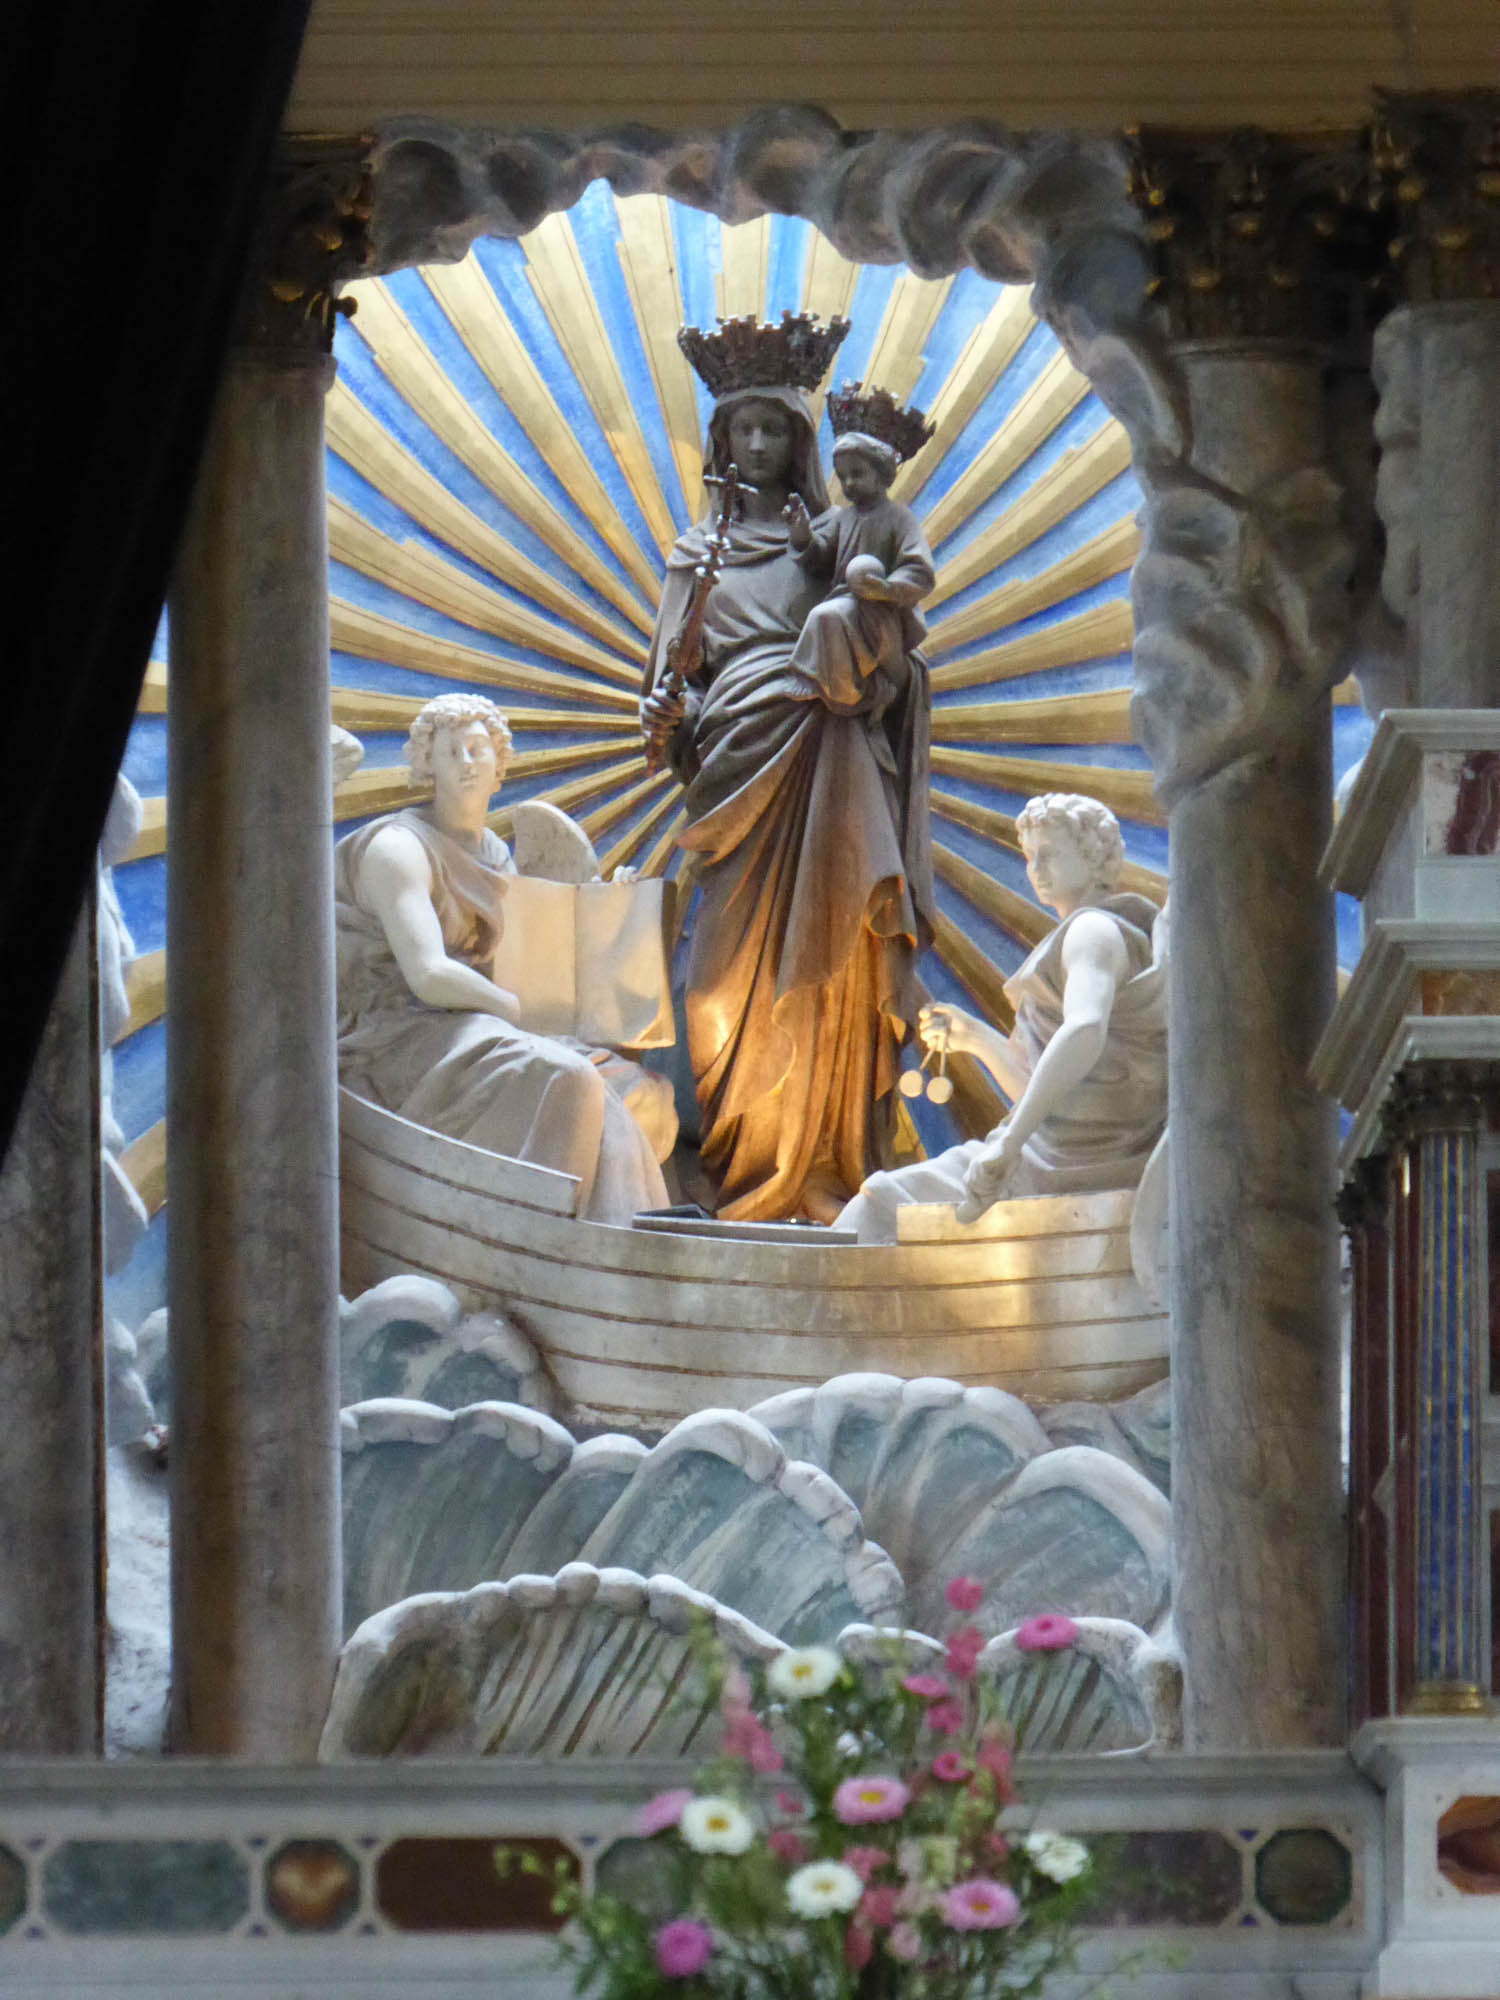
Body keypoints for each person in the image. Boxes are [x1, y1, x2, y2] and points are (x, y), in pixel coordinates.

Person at [641, 317, 934, 1223]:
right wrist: (669, 716)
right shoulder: (698, 557)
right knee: (717, 987)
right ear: (722, 439)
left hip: (831, 760)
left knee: (835, 961)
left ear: (801, 441)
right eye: (745, 428)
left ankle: (820, 1169)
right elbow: (673, 688)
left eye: (775, 428)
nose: (760, 444)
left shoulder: (837, 543)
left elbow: (893, 663)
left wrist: (875, 664)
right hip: (736, 768)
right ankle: (737, 1165)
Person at [334, 693, 675, 1224]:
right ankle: (533, 1238)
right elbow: (427, 974)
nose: (467, 763)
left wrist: (613, 914)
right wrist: (511, 1006)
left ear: (500, 767)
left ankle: (628, 1248)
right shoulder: (397, 849)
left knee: (645, 1096)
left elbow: (533, 962)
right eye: (451, 752)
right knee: (567, 1078)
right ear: (427, 766)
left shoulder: (494, 853)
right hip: (401, 1033)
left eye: (478, 749)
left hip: (479, 1021)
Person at [837, 793, 1166, 1244]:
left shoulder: (1092, 932)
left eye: (1050, 853)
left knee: (877, 1206)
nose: (1036, 869)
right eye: (1030, 857)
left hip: (1068, 1159)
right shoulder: (1100, 932)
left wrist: (1010, 1143)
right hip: (1066, 1150)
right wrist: (975, 1037)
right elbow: (1056, 1094)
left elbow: (1085, 1029)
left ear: (1093, 859)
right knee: (882, 1209)